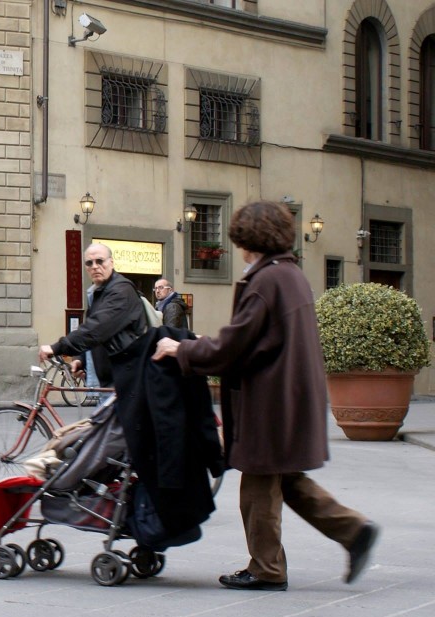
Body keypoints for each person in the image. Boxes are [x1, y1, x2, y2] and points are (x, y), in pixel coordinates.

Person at [152, 200, 378, 591]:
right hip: (289, 398)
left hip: (269, 403)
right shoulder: (290, 276)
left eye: (239, 239)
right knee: (287, 479)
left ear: (250, 239)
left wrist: (182, 349)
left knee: (257, 487)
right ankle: (354, 531)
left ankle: (266, 568)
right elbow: (252, 340)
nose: (237, 247)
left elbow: (234, 346)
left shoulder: (265, 281)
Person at [38, 242, 144, 387]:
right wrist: (80, 359)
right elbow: (94, 332)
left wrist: (56, 348)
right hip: (111, 380)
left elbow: (97, 329)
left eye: (100, 261)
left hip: (126, 381)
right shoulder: (98, 292)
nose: (94, 266)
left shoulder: (121, 291)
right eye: (89, 263)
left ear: (111, 262)